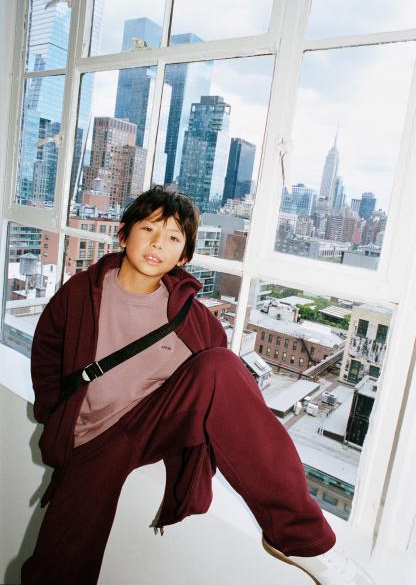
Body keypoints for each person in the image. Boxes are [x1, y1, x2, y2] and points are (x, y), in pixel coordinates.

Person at [21, 186, 373, 585]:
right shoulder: (82, 292)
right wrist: (55, 415)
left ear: (184, 257)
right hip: (90, 441)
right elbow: (46, 354)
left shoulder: (193, 317)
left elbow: (225, 393)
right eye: (149, 229)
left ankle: (305, 540)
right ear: (123, 234)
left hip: (147, 428)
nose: (158, 243)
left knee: (221, 364)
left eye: (173, 238)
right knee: (59, 564)